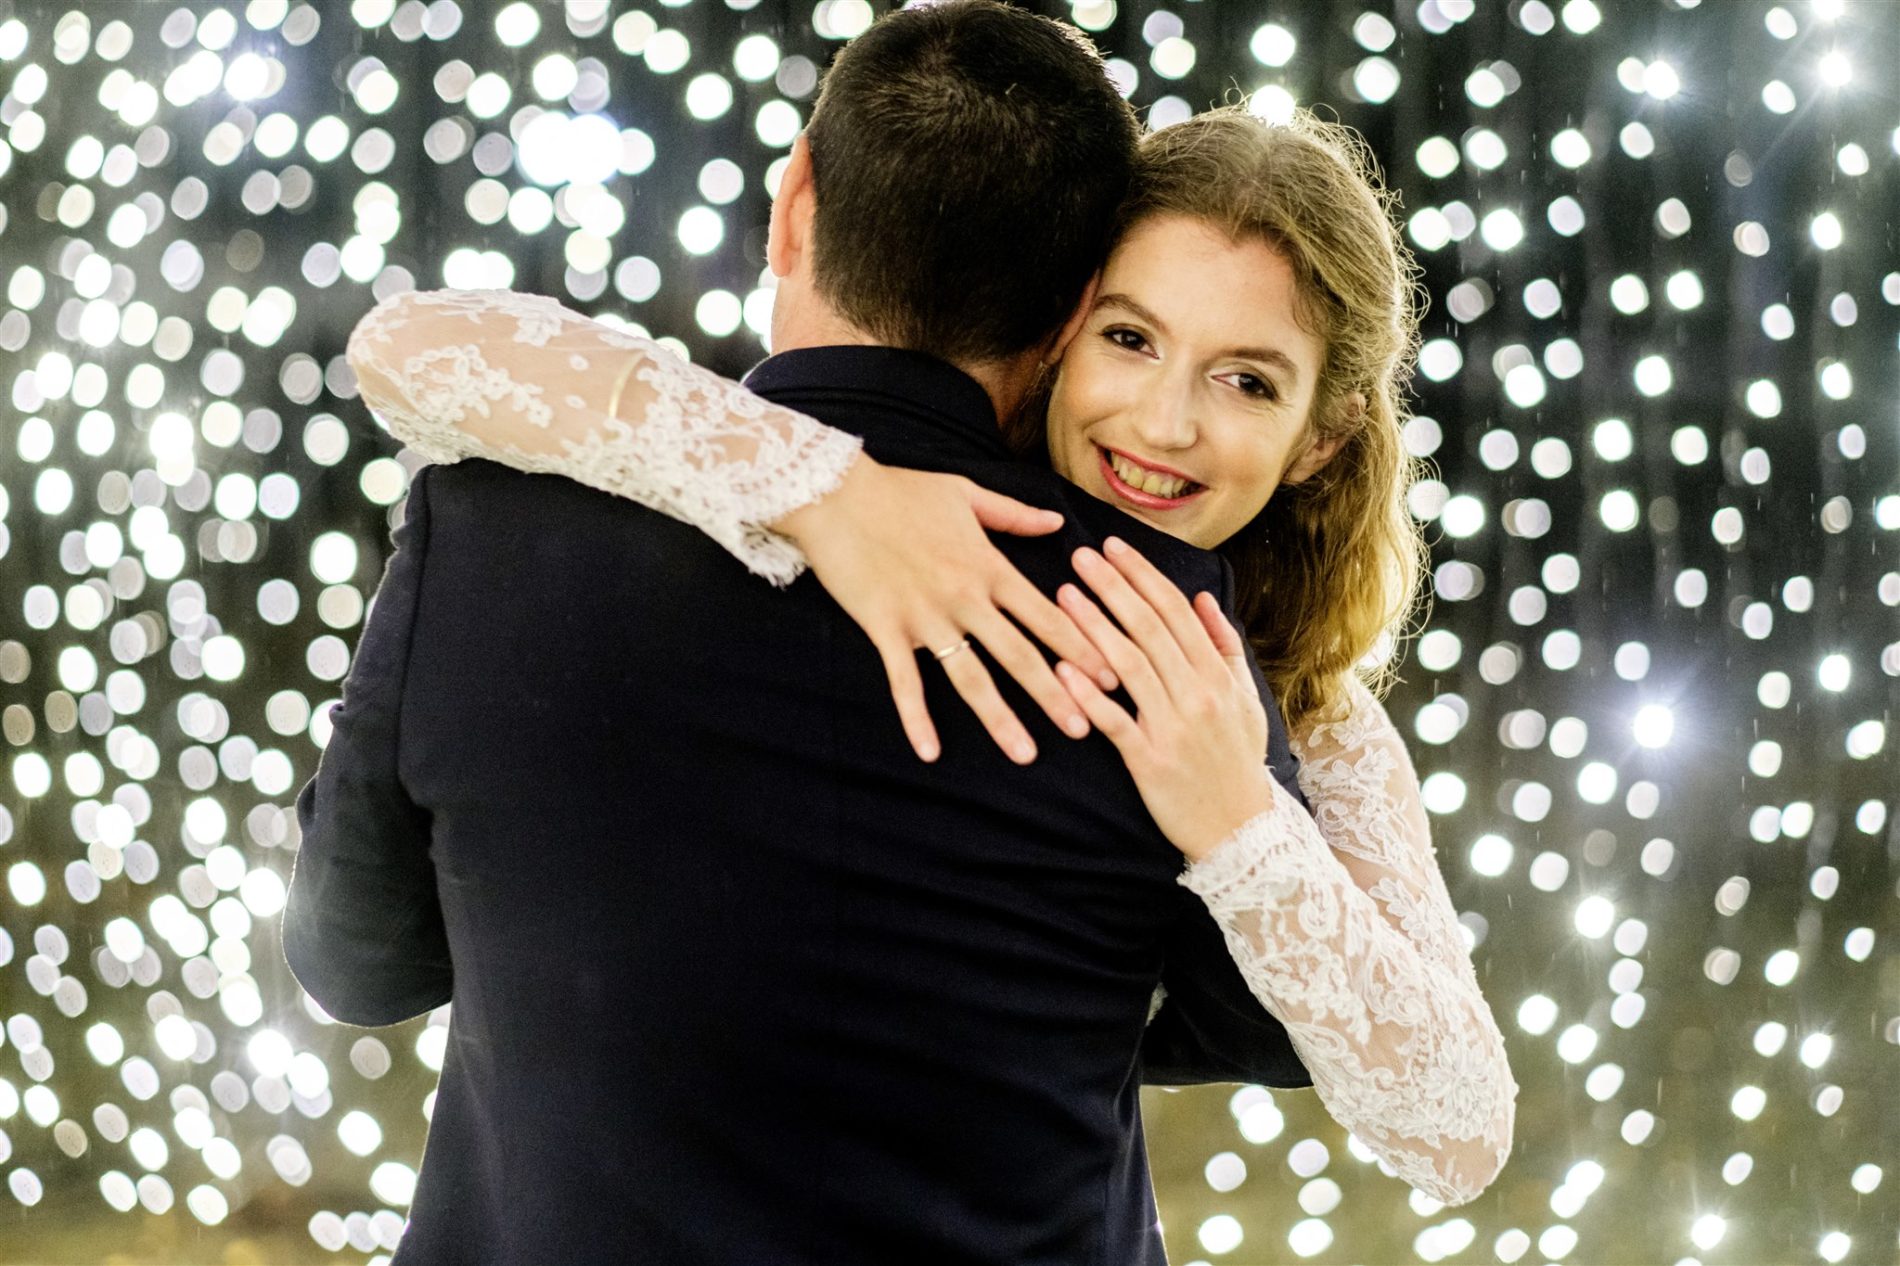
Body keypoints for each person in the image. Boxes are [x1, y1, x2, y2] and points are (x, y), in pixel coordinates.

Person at [285, 5, 1336, 1263]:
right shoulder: (1157, 626)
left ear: (793, 206)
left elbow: (354, 967)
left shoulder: (488, 530)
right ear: (1072, 313)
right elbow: (1273, 1022)